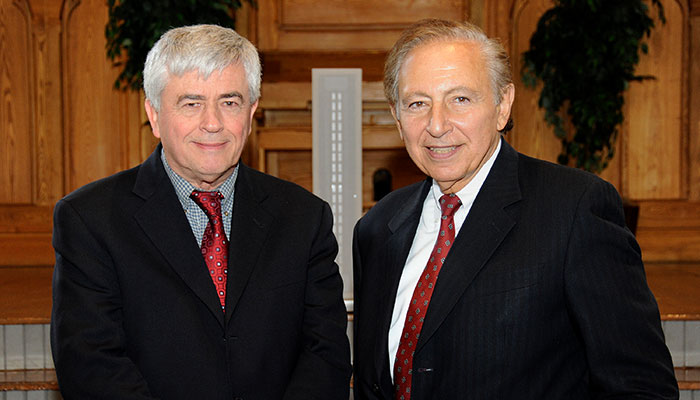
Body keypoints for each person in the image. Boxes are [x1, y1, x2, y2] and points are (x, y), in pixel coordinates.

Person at [352, 18, 678, 400]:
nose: (436, 125)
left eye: (460, 99)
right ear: (397, 117)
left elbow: (641, 387)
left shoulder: (574, 210)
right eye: (417, 104)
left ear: (502, 105)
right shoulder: (377, 229)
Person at [51, 24, 351, 400]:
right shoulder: (90, 220)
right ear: (155, 115)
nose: (212, 123)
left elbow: (325, 356)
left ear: (252, 112)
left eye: (230, 102)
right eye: (191, 103)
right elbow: (90, 365)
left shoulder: (304, 217)